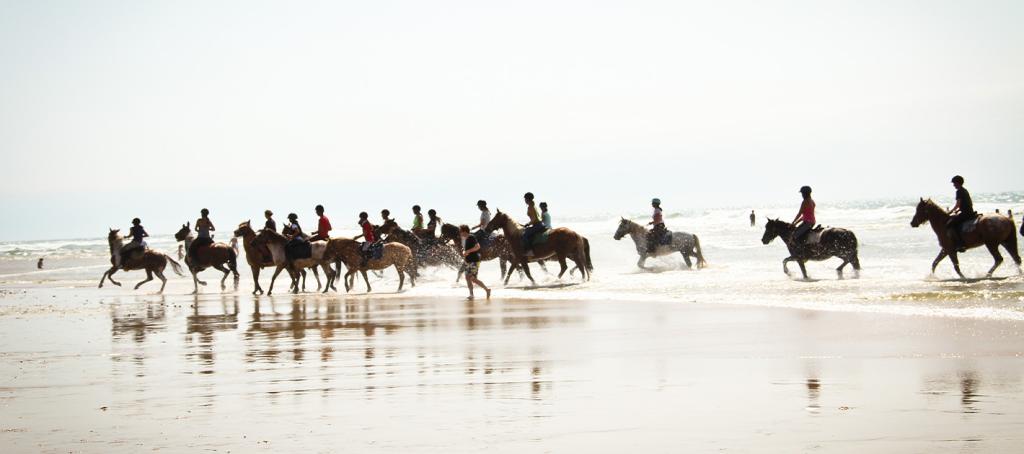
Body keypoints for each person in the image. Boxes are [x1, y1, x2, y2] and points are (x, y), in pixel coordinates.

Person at [459, 224, 491, 300]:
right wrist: (465, 253)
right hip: (469, 261)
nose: (460, 233)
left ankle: (487, 290)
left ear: (464, 231)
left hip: (474, 261)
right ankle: (471, 295)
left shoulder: (471, 237)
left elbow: (478, 246)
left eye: (460, 231)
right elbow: (467, 250)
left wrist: (468, 251)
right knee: (468, 278)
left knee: (471, 278)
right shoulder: (467, 239)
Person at [947, 175, 976, 253]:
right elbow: (967, 203)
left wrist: (949, 212)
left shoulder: (959, 191)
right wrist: (958, 210)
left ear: (957, 183)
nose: (953, 185)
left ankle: (960, 244)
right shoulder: (965, 190)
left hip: (965, 213)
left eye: (954, 183)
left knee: (950, 224)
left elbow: (957, 204)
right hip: (970, 212)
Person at [522, 192, 545, 256]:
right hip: (540, 224)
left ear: (527, 199)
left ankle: (529, 251)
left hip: (537, 225)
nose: (525, 200)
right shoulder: (533, 205)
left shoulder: (530, 207)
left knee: (524, 235)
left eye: (525, 199)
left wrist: (528, 224)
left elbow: (534, 219)